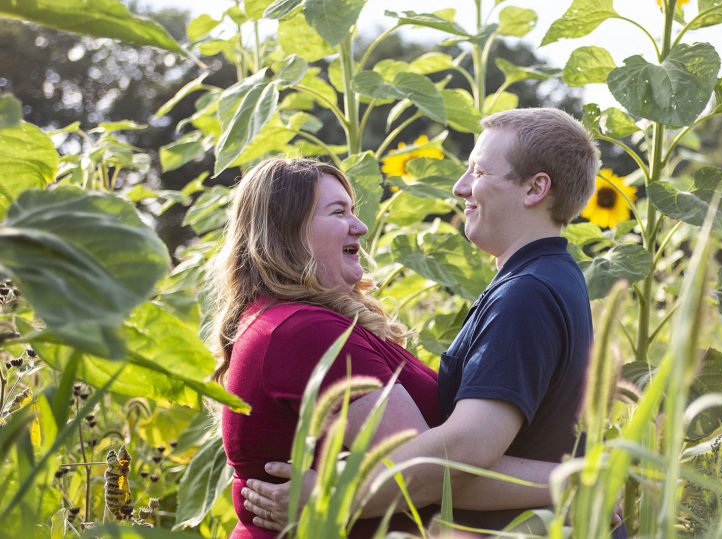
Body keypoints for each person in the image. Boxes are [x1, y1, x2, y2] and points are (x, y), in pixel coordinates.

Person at [245, 108, 607, 533]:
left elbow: (465, 451)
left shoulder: (527, 292)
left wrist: (334, 494)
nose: (460, 188)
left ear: (534, 188)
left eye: (478, 171)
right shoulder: (547, 279)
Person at [210, 157, 558, 538]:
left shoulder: (285, 321)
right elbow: (428, 474)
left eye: (354, 211)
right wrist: (576, 480)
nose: (360, 226)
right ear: (288, 232)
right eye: (338, 212)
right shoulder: (304, 332)